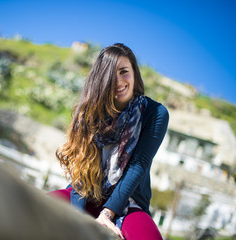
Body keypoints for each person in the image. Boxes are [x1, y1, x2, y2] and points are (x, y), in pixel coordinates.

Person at [50, 43, 169, 240]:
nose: (119, 81)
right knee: (38, 208)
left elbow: (138, 167)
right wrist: (78, 220)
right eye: (111, 76)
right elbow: (82, 170)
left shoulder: (155, 113)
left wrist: (107, 214)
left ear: (134, 73)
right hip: (86, 193)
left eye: (124, 72)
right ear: (102, 80)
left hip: (128, 202)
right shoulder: (87, 112)